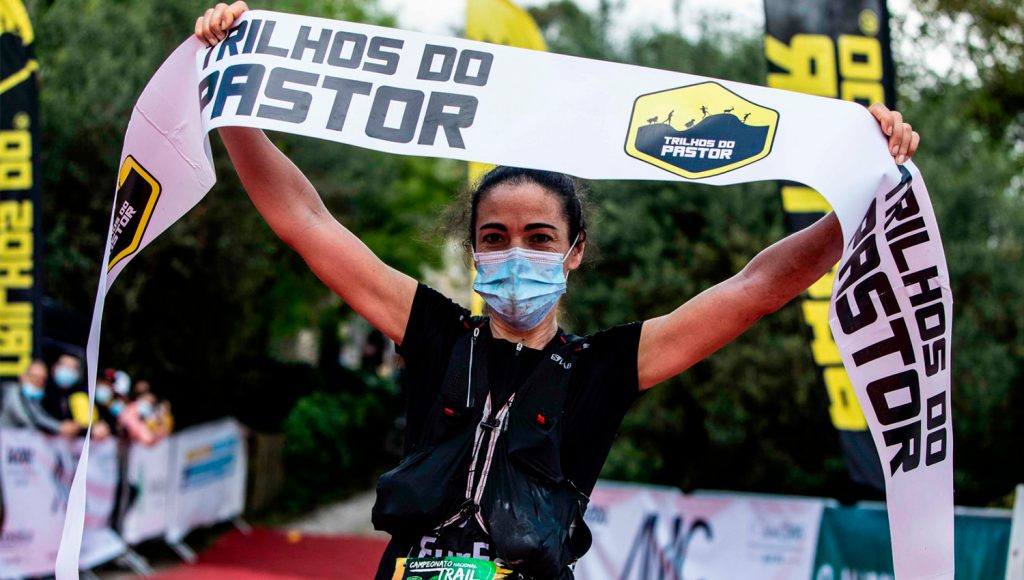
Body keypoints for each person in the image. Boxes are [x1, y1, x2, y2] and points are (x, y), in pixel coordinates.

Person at [197, 4, 920, 578]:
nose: (516, 252)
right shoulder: (433, 331)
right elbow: (305, 218)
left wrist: (852, 199)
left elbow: (756, 287)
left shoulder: (608, 366)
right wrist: (230, 97)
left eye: (539, 238)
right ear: (472, 248)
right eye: (494, 237)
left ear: (574, 253)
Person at [0, 360, 79, 436]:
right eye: (34, 377)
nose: (38, 382)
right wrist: (60, 427)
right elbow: (28, 417)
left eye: (42, 379)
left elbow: (41, 415)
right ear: (23, 376)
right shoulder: (11, 391)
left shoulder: (34, 399)